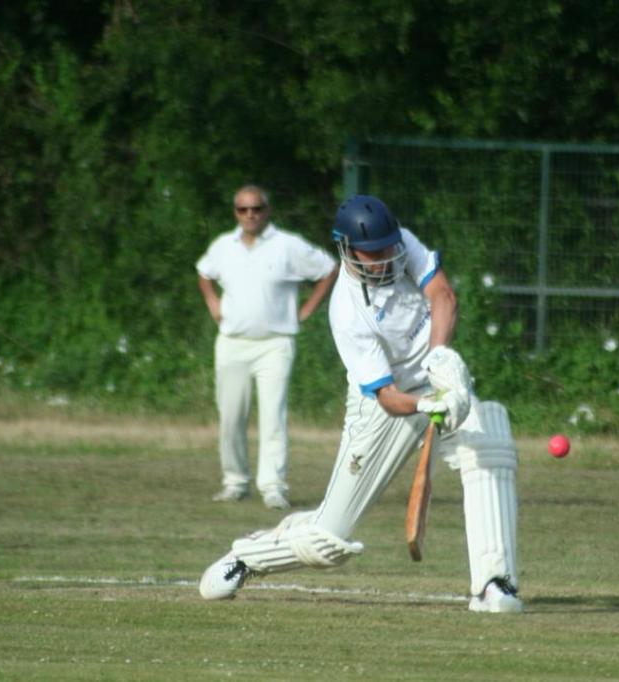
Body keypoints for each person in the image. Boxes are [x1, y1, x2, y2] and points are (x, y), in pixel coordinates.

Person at [199, 195, 524, 613]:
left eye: (387, 248)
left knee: (489, 438)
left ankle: (494, 583)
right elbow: (388, 397)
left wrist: (440, 360)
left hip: (434, 383)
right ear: (346, 249)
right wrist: (427, 406)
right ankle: (247, 557)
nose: (384, 259)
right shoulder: (347, 311)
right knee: (327, 540)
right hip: (382, 408)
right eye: (372, 254)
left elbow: (444, 297)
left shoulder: (403, 243)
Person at [196, 185, 338, 510]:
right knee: (231, 416)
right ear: (236, 212)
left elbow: (329, 269)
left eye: (256, 209)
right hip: (232, 341)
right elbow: (204, 272)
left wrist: (307, 309)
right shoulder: (223, 246)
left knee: (273, 416)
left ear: (267, 210)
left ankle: (273, 485)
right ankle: (235, 482)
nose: (250, 215)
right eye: (243, 210)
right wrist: (212, 301)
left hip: (275, 343)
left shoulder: (287, 245)